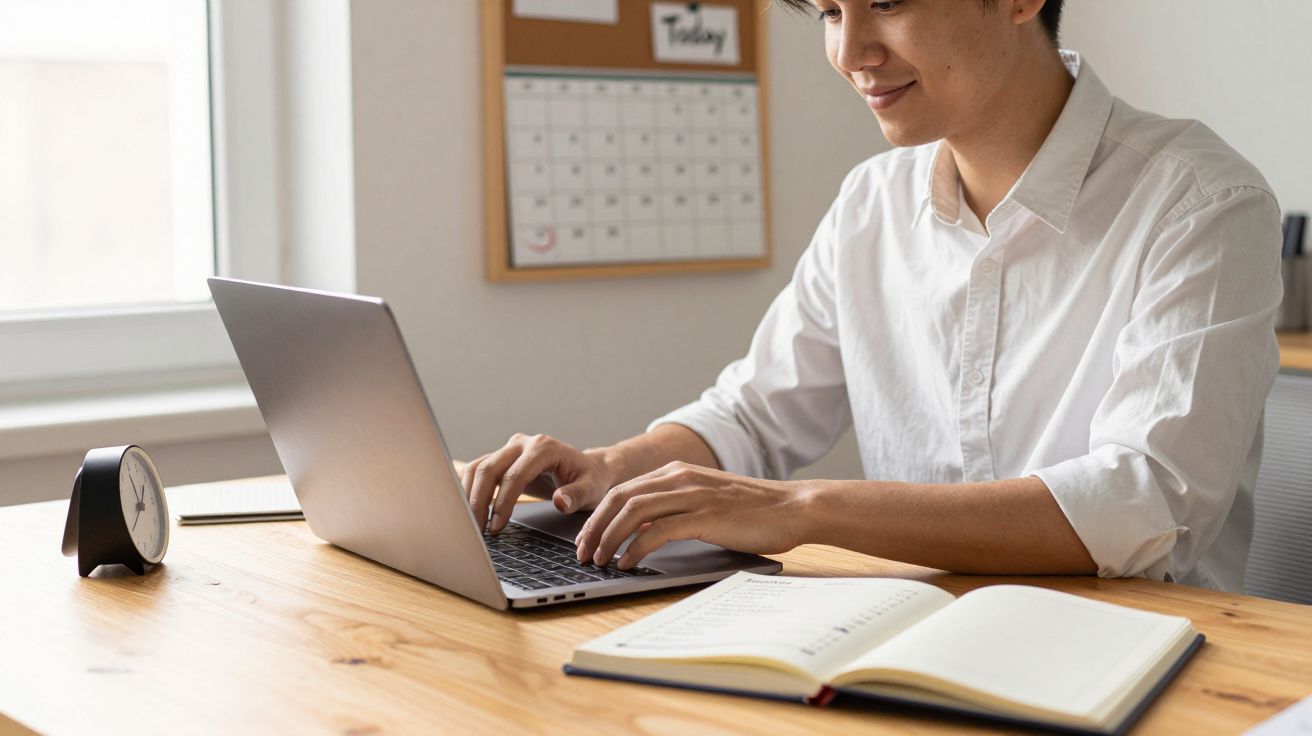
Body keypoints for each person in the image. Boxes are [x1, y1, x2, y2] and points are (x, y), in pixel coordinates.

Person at [463, 0, 1281, 592]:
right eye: (826, 10)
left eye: (885, 3)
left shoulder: (1200, 202)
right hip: (905, 638)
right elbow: (753, 415)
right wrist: (611, 468)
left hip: (1138, 659)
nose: (851, 50)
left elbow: (1143, 504)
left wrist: (804, 509)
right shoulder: (872, 203)